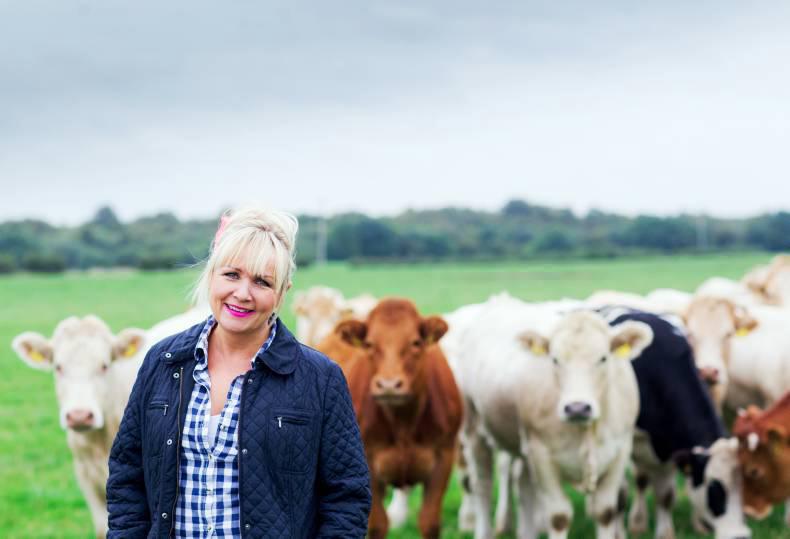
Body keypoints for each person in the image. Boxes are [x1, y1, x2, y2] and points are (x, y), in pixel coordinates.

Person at [107, 206, 371, 538]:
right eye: (232, 275)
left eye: (262, 282)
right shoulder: (163, 361)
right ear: (211, 275)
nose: (243, 294)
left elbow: (347, 496)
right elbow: (127, 476)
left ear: (282, 293)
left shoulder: (319, 378)